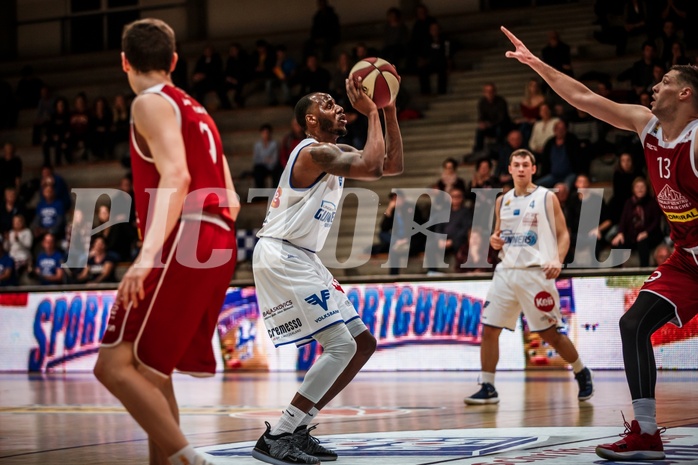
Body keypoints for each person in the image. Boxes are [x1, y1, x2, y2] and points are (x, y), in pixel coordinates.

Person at [503, 25, 698, 461]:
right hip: (687, 260)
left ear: (686, 94)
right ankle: (647, 434)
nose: (655, 85)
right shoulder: (646, 126)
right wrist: (537, 64)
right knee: (633, 326)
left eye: (666, 81)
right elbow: (585, 99)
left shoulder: (696, 138)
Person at [93, 18, 239, 465]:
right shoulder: (199, 111)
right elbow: (231, 200)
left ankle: (191, 460)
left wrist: (147, 255)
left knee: (113, 366)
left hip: (185, 235)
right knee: (151, 374)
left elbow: (177, 175)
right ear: (174, 61)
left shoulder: (149, 103)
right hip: (217, 238)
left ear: (124, 62)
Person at [251, 75, 403, 464]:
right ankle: (279, 434)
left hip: (304, 256)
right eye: (327, 104)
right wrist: (371, 112)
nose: (337, 107)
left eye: (337, 102)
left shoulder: (333, 153)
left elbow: (390, 165)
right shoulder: (312, 153)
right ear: (311, 121)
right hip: (282, 254)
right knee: (340, 345)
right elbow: (371, 166)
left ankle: (300, 426)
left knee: (362, 344)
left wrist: (388, 110)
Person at [463, 149, 594, 406]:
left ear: (533, 169)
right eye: (516, 165)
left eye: (525, 164)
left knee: (550, 334)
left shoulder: (546, 197)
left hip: (536, 273)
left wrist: (557, 258)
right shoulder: (503, 200)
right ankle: (488, 385)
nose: (521, 169)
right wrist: (493, 239)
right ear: (509, 169)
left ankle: (581, 370)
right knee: (489, 329)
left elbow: (564, 234)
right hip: (505, 272)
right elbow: (498, 235)